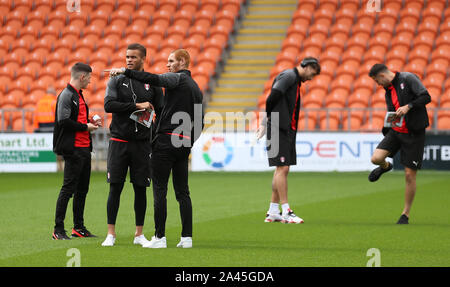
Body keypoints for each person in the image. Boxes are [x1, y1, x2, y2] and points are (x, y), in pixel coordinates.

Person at [108, 49, 204, 248]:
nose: (167, 65)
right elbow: (200, 121)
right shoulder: (196, 88)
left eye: (171, 61)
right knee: (183, 192)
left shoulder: (176, 79)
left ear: (183, 62)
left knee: (160, 190)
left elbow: (152, 78)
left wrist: (126, 72)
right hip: (183, 143)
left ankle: (159, 237)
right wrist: (189, 141)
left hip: (166, 141)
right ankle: (187, 238)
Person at [101, 43, 164, 247]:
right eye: (127, 56)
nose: (129, 60)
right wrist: (137, 106)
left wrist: (155, 135)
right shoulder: (117, 80)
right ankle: (111, 234)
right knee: (115, 188)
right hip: (119, 141)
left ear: (143, 59)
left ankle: (139, 235)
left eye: (134, 57)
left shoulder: (152, 84)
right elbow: (109, 105)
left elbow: (160, 112)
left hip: (142, 145)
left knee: (141, 188)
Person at [256, 57, 321, 224]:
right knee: (282, 168)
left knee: (282, 169)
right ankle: (286, 210)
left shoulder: (294, 79)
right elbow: (272, 97)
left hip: (286, 129)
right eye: (312, 74)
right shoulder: (289, 76)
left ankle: (273, 211)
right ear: (307, 67)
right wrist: (266, 122)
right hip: (278, 128)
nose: (310, 78)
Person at [368, 63, 431, 224]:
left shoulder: (408, 78)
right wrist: (387, 125)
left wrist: (409, 106)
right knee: (376, 158)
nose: (378, 85)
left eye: (377, 81)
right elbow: (392, 110)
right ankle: (386, 167)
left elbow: (426, 97)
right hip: (396, 132)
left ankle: (405, 214)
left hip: (414, 133)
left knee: (410, 175)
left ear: (382, 76)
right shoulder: (387, 91)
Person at [52, 62, 99, 240]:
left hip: (84, 148)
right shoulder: (66, 95)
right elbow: (63, 121)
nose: (90, 81)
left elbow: (74, 119)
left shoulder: (78, 95)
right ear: (82, 76)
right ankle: (58, 229)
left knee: (82, 190)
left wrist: (89, 122)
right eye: (89, 77)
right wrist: (86, 127)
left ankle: (78, 227)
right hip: (74, 149)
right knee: (68, 189)